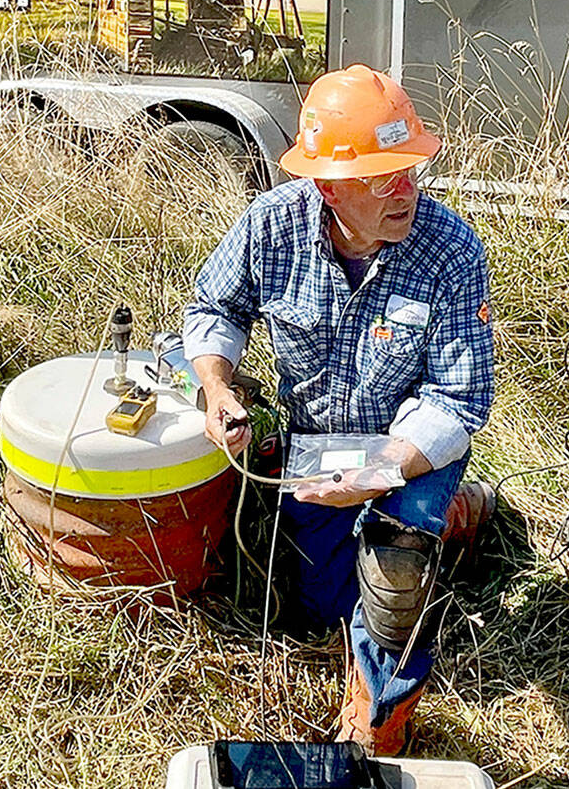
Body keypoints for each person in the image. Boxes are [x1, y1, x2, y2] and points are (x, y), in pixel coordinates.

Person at [182, 64, 495, 755]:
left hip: (410, 448)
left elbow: (458, 398)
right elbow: (214, 308)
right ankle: (466, 514)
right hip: (317, 442)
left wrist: (385, 468)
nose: (405, 190)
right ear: (326, 186)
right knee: (322, 606)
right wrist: (219, 388)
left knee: (395, 558)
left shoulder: (451, 250)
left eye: (410, 169)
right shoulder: (270, 228)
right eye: (382, 177)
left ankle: (380, 715)